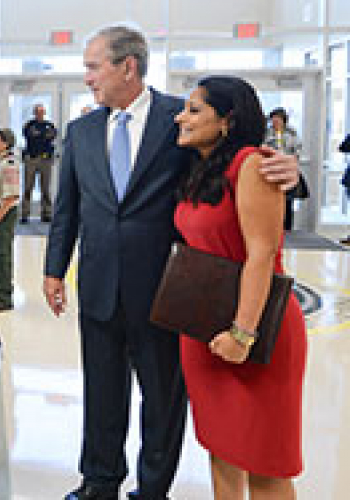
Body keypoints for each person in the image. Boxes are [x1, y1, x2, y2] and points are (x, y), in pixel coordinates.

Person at [43, 26, 300, 500]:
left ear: (128, 66)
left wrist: (287, 169)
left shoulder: (178, 120)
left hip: (168, 291)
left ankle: (152, 489)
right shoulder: (79, 131)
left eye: (93, 66)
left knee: (163, 398)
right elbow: (68, 209)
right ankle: (99, 481)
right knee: (101, 392)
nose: (86, 78)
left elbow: (231, 162)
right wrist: (54, 269)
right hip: (98, 284)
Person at [173, 75, 307, 499]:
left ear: (227, 121)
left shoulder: (252, 164)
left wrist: (242, 334)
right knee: (222, 449)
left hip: (255, 327)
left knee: (265, 461)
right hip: (205, 326)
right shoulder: (199, 165)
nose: (181, 117)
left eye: (195, 110)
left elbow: (262, 255)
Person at [0, 126, 20, 312]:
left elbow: (11, 196)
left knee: (3, 253)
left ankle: (4, 296)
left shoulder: (9, 164)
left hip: (5, 211)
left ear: (6, 143)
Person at [263, 108, 304, 230]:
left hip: (286, 168)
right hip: (272, 167)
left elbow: (297, 149)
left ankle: (287, 228)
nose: (275, 122)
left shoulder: (291, 133)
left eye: (278, 119)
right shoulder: (267, 133)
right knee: (271, 200)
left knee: (287, 201)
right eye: (273, 119)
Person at [22, 103, 57, 223]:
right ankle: (25, 214)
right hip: (31, 159)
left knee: (45, 189)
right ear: (34, 113)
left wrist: (40, 136)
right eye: (38, 111)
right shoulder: (29, 125)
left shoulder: (49, 125)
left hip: (45, 160)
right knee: (28, 187)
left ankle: (46, 213)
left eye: (42, 111)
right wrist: (42, 137)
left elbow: (51, 136)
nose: (40, 114)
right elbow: (30, 135)